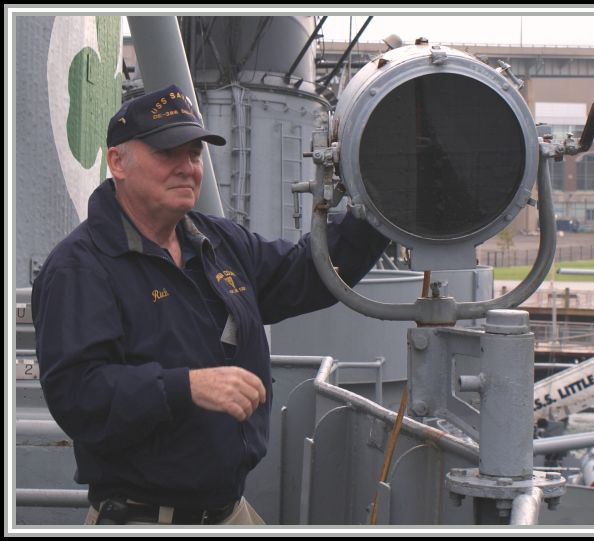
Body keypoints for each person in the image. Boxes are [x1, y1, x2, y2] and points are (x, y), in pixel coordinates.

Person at [31, 84, 389, 525]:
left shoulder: (216, 241)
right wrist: (187, 387)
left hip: (230, 512)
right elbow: (79, 397)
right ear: (118, 162)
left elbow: (305, 274)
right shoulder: (81, 267)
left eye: (195, 154)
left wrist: (381, 209)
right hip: (145, 518)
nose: (187, 168)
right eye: (168, 153)